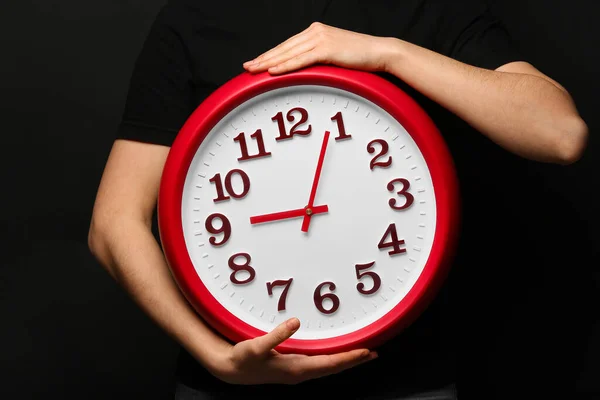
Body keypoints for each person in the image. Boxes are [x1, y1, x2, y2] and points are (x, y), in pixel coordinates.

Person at [88, 0, 588, 399]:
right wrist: (214, 356)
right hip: (228, 386)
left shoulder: (428, 8)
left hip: (408, 382)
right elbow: (115, 223)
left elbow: (560, 134)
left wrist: (390, 53)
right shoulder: (195, 17)